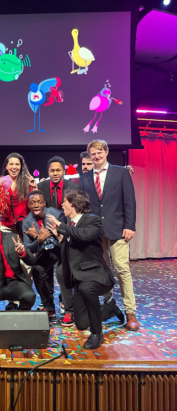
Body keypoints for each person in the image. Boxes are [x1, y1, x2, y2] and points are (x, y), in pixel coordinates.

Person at [79, 139, 139, 331]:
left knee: (122, 269)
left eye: (99, 152)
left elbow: (129, 200)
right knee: (102, 271)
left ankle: (130, 312)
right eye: (93, 154)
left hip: (118, 230)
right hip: (96, 233)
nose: (96, 157)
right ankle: (108, 304)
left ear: (106, 152)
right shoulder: (85, 177)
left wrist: (130, 225)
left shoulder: (121, 172)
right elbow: (84, 206)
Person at [46, 190, 117, 350]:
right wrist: (60, 240)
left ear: (72, 204)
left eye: (64, 201)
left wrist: (61, 227)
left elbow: (84, 235)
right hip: (80, 278)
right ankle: (108, 308)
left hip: (96, 275)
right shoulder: (70, 226)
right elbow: (69, 252)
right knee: (81, 324)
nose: (61, 205)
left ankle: (97, 333)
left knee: (86, 287)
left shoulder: (93, 221)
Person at [22, 190, 71, 321]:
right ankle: (49, 307)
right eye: (32, 203)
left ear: (44, 203)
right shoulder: (27, 222)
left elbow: (63, 240)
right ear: (29, 205)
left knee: (62, 273)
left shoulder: (57, 215)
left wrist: (38, 237)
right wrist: (39, 239)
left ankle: (69, 309)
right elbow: (29, 249)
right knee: (37, 271)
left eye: (39, 202)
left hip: (61, 250)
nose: (36, 205)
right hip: (45, 252)